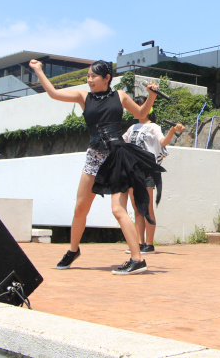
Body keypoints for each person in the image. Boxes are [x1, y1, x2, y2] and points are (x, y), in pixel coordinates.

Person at [29, 59, 161, 275]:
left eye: (93, 76)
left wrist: (152, 96)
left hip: (117, 156)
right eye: (88, 76)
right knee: (80, 208)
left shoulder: (120, 96)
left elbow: (140, 113)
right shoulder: (84, 97)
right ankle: (73, 250)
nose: (89, 80)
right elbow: (53, 93)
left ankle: (137, 259)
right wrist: (38, 70)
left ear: (107, 78)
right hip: (94, 157)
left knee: (118, 210)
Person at [123, 97, 185, 254]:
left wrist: (172, 130)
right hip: (132, 171)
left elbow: (162, 142)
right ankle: (139, 243)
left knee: (147, 209)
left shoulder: (153, 127)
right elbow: (121, 143)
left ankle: (149, 244)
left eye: (140, 105)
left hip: (147, 170)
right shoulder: (131, 128)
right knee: (137, 210)